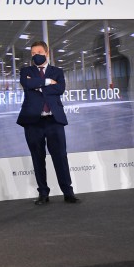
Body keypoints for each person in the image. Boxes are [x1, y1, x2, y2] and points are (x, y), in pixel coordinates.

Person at [16, 41, 79, 205]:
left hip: (54, 120)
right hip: (33, 121)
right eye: (33, 53)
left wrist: (37, 85)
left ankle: (68, 192)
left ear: (46, 52)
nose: (35, 55)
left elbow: (60, 89)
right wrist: (46, 82)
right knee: (38, 158)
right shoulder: (26, 71)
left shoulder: (57, 71)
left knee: (60, 157)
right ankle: (43, 193)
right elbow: (26, 84)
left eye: (39, 51)